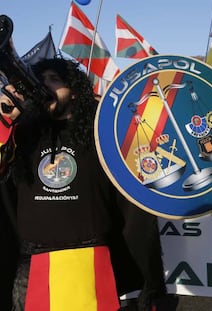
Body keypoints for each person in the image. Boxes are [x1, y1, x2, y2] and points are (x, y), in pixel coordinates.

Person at [0, 58, 176, 311]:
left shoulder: (103, 136)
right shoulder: (23, 135)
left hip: (90, 260)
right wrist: (8, 119)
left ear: (74, 91)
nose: (44, 86)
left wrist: (152, 282)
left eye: (53, 79)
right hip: (31, 266)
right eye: (39, 81)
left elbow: (134, 212)